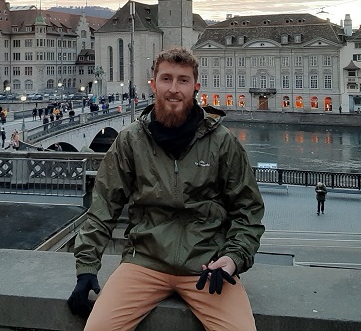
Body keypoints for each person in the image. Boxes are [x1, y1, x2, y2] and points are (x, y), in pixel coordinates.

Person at [67, 47, 264, 330]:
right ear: (154, 84)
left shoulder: (222, 142)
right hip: (144, 262)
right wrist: (86, 268)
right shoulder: (131, 140)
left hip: (207, 265)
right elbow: (103, 206)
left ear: (196, 87)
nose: (174, 89)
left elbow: (248, 210)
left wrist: (232, 258)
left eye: (183, 80)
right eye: (166, 79)